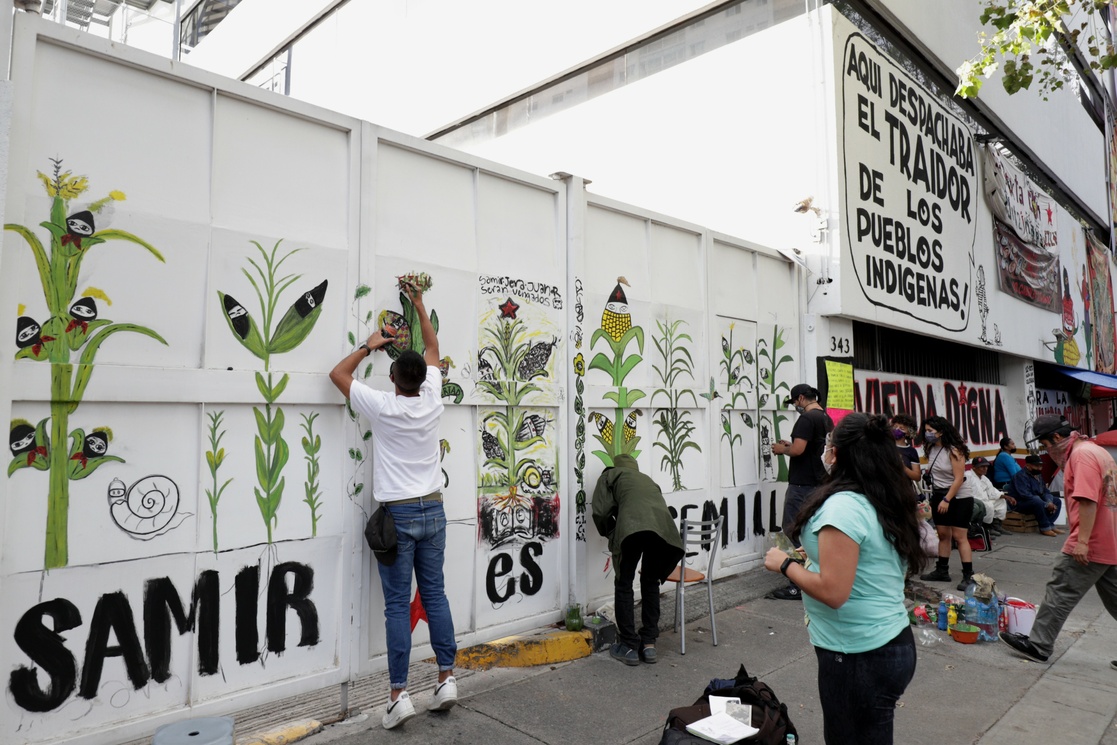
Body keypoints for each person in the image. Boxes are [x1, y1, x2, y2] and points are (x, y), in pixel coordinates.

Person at [329, 283, 457, 730]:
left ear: (392, 379)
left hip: (398, 516)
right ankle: (445, 679)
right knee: (435, 596)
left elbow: (338, 375)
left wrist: (369, 344)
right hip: (434, 511)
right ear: (424, 378)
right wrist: (419, 303)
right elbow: (434, 346)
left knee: (397, 605)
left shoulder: (383, 406)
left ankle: (399, 695)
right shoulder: (434, 399)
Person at [764, 413, 924, 745]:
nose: (825, 451)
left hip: (858, 655)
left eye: (828, 445)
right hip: (885, 642)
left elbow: (835, 592)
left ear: (837, 454)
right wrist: (816, 558)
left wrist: (785, 565)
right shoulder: (879, 495)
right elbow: (868, 558)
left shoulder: (843, 508)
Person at [1000, 415, 1117, 666]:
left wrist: (1082, 541)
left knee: (1060, 590)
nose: (1046, 451)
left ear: (1056, 438)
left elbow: (1087, 500)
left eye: (1045, 444)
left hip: (1092, 539)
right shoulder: (1096, 451)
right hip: (1110, 538)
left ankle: (1039, 645)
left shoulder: (1081, 456)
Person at [592, 454, 684, 666]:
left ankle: (629, 645)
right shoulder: (648, 480)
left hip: (632, 529)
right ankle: (649, 644)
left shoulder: (611, 475)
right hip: (663, 532)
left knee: (624, 583)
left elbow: (602, 510)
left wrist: (610, 532)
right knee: (650, 582)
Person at [768, 384, 834, 600]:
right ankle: (812, 576)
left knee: (791, 530)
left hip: (802, 485)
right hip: (819, 483)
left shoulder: (806, 419)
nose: (795, 405)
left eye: (795, 401)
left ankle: (796, 582)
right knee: (811, 531)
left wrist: (782, 449)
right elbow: (811, 448)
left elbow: (798, 450)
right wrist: (792, 444)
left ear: (801, 398)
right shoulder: (825, 417)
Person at [918, 416, 977, 591]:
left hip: (958, 498)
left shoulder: (954, 450)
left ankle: (968, 575)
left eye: (931, 431)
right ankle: (942, 570)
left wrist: (946, 500)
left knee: (960, 537)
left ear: (941, 432)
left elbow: (959, 479)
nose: (927, 434)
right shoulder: (931, 448)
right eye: (926, 430)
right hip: (939, 494)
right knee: (943, 535)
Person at [1005, 455, 1064, 537]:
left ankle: (1050, 525)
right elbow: (1025, 495)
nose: (1040, 468)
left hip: (1035, 501)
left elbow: (1045, 491)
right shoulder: (1020, 476)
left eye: (1041, 466)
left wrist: (1049, 502)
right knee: (1037, 500)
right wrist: (1046, 504)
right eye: (1037, 466)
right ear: (1028, 466)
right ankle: (1045, 528)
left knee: (1057, 501)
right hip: (1020, 503)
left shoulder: (1038, 475)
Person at [969, 456, 1008, 536]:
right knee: (989, 505)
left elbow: (992, 492)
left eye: (986, 466)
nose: (985, 468)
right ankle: (986, 528)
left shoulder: (984, 478)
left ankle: (996, 525)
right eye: (982, 467)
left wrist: (1003, 496)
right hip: (974, 501)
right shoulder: (968, 476)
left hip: (984, 500)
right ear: (973, 467)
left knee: (1001, 501)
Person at [890, 413, 922, 482]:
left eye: (902, 428)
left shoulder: (911, 451)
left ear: (908, 433)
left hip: (905, 489)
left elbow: (917, 477)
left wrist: (903, 467)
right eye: (895, 427)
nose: (897, 429)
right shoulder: (886, 446)